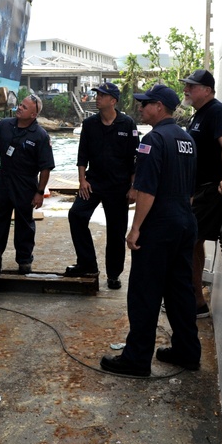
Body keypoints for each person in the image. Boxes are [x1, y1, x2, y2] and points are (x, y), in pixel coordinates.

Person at [100, 84, 201, 377]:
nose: (141, 109)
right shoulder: (187, 140)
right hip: (185, 220)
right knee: (180, 290)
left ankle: (136, 359)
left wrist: (135, 229)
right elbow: (190, 188)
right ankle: (187, 351)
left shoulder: (152, 141)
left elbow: (145, 190)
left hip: (159, 225)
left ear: (159, 107)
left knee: (145, 292)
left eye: (145, 104)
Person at [64, 82, 139, 289]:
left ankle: (114, 274)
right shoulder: (90, 125)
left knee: (116, 231)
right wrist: (82, 180)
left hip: (119, 186)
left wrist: (133, 186)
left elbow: (135, 158)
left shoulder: (127, 124)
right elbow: (82, 156)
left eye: (101, 95)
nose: (96, 98)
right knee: (76, 215)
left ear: (113, 101)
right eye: (97, 94)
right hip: (94, 183)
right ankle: (87, 263)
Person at [181, 69, 222, 318]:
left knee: (188, 241)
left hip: (209, 191)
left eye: (191, 87)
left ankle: (194, 302)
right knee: (193, 243)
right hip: (197, 191)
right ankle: (195, 301)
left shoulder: (216, 111)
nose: (186, 90)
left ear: (207, 90)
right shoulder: (199, 115)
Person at [0, 94, 55, 274]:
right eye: (20, 105)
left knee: (24, 224)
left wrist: (39, 192)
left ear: (33, 114)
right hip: (3, 180)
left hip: (25, 185)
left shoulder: (40, 136)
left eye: (24, 107)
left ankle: (24, 260)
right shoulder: (4, 125)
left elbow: (45, 168)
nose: (20, 108)